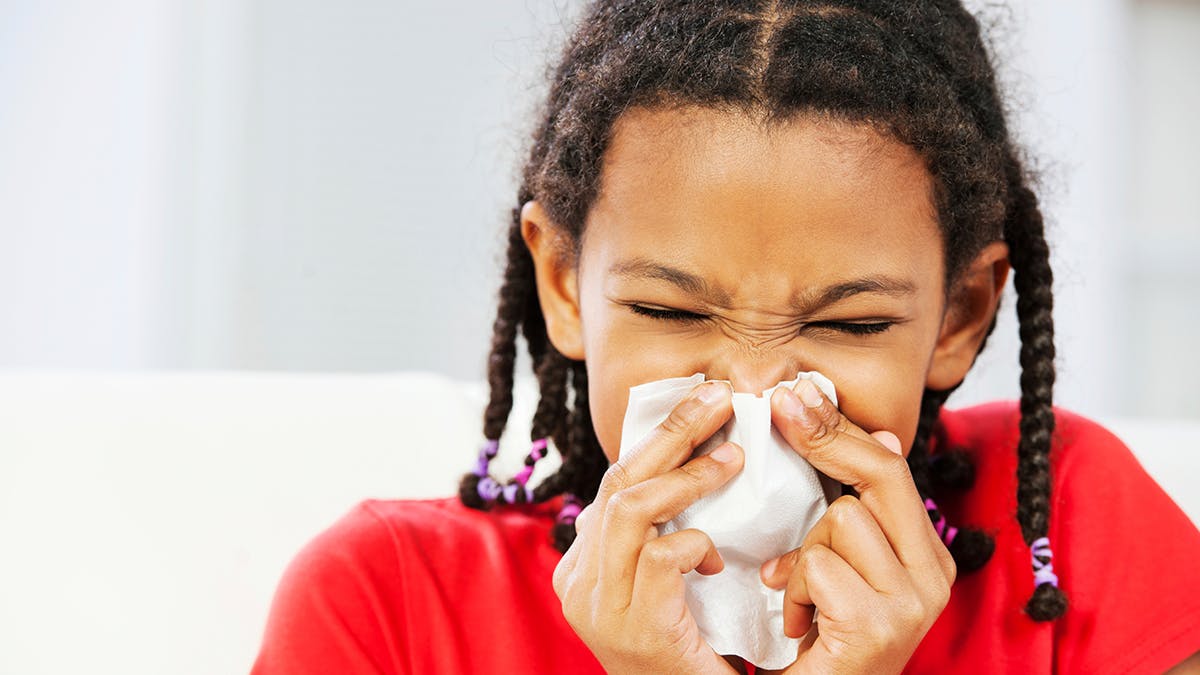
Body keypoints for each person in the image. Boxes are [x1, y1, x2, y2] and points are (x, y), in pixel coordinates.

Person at [251, 1, 1200, 673]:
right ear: (563, 286)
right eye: (670, 311)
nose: (752, 390)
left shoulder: (1069, 532)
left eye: (849, 322)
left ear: (959, 316)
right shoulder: (390, 599)